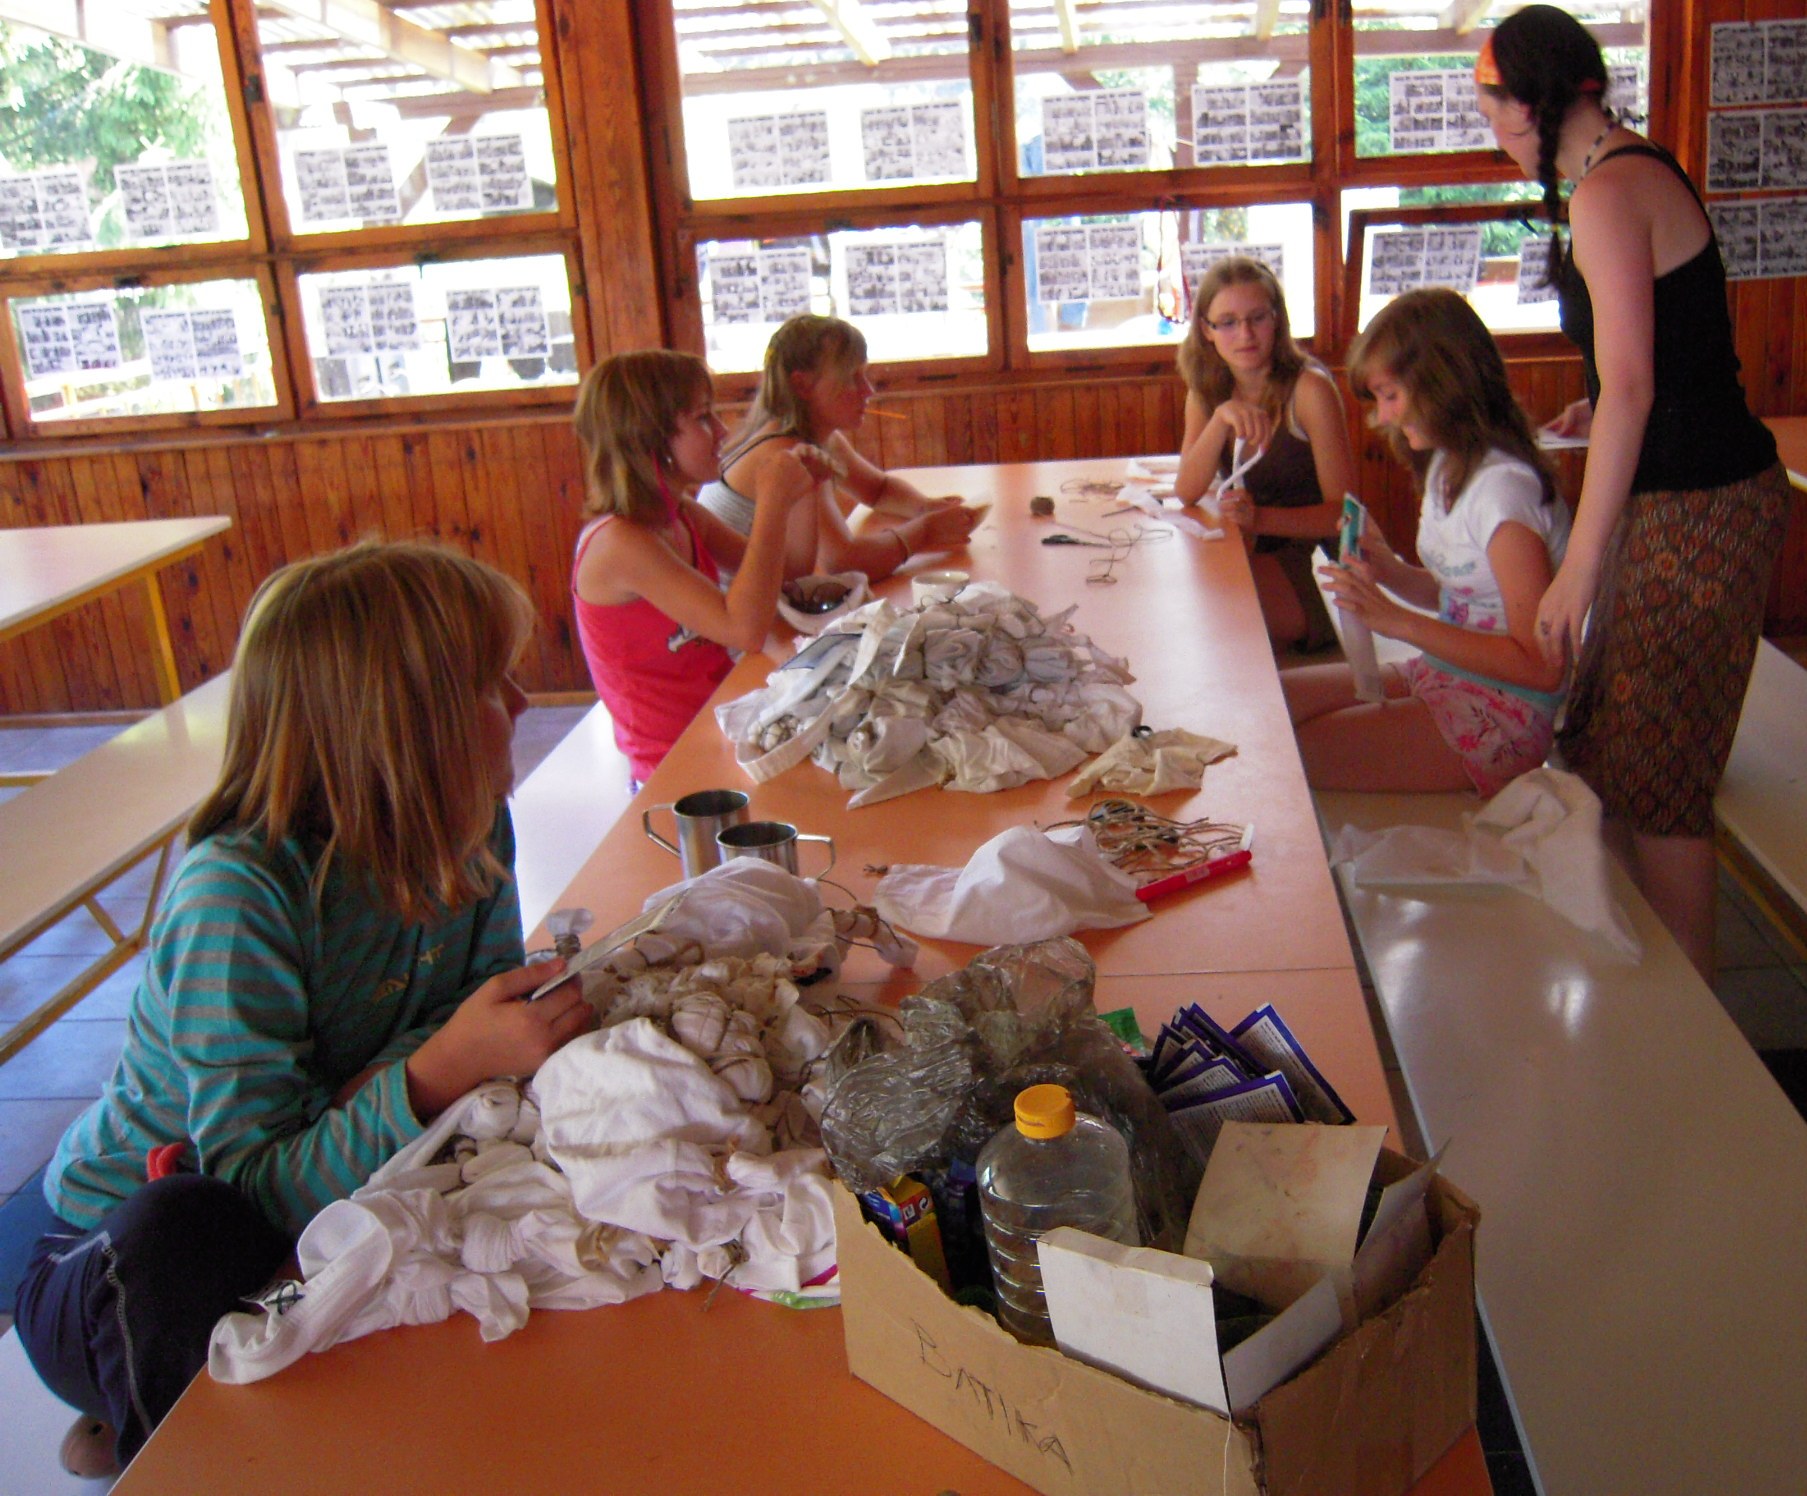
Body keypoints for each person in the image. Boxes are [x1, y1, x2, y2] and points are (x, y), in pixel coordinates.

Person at [13, 540, 594, 1477]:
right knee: (182, 1240)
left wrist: (404, 1076)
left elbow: (473, 1009)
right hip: (112, 1254)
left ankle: (181, 1390)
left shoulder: (473, 823)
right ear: (403, 733)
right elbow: (252, 1190)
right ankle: (144, 1420)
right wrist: (434, 1070)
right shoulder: (237, 895)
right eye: (493, 685)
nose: (524, 704)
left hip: (307, 1199)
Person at [1476, 6, 1791, 978]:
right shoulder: (1620, 172)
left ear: (1528, 102)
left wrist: (1576, 569)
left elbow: (1638, 387)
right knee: (1610, 749)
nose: (1489, 125)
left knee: (1659, 776)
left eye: (1489, 104)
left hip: (1701, 505)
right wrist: (1595, 404)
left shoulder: (1610, 191)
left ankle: (1692, 1021)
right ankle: (1639, 992)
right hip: (1683, 493)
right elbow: (1651, 364)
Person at [1282, 289, 1571, 797]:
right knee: (1268, 706)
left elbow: (1542, 667)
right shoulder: (1447, 463)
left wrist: (1397, 622)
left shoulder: (1504, 493)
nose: (1382, 416)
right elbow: (1462, 597)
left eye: (1390, 395)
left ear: (1442, 383)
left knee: (1283, 755)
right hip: (1446, 671)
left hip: (1507, 711)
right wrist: (1387, 569)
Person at [572, 349, 815, 786]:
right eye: (703, 418)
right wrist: (772, 503)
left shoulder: (680, 514)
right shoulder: (619, 543)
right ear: (649, 439)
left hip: (718, 732)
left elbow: (787, 572)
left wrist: (805, 491)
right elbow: (744, 629)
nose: (722, 430)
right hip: (672, 771)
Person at [697, 314, 983, 583]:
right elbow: (844, 562)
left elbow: (878, 489)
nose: (868, 390)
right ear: (802, 385)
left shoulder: (818, 438)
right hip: (749, 613)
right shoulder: (789, 454)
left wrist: (925, 508)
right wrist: (926, 531)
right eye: (852, 378)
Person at [1175, 255, 1356, 652]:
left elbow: (1344, 517)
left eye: (1257, 318)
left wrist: (1258, 518)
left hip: (1313, 563)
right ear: (1206, 330)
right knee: (1188, 607)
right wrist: (1220, 419)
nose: (1245, 334)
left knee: (1211, 626)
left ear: (1277, 320)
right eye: (1227, 322)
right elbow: (1186, 490)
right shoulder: (1206, 390)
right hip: (1251, 550)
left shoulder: (1310, 390)